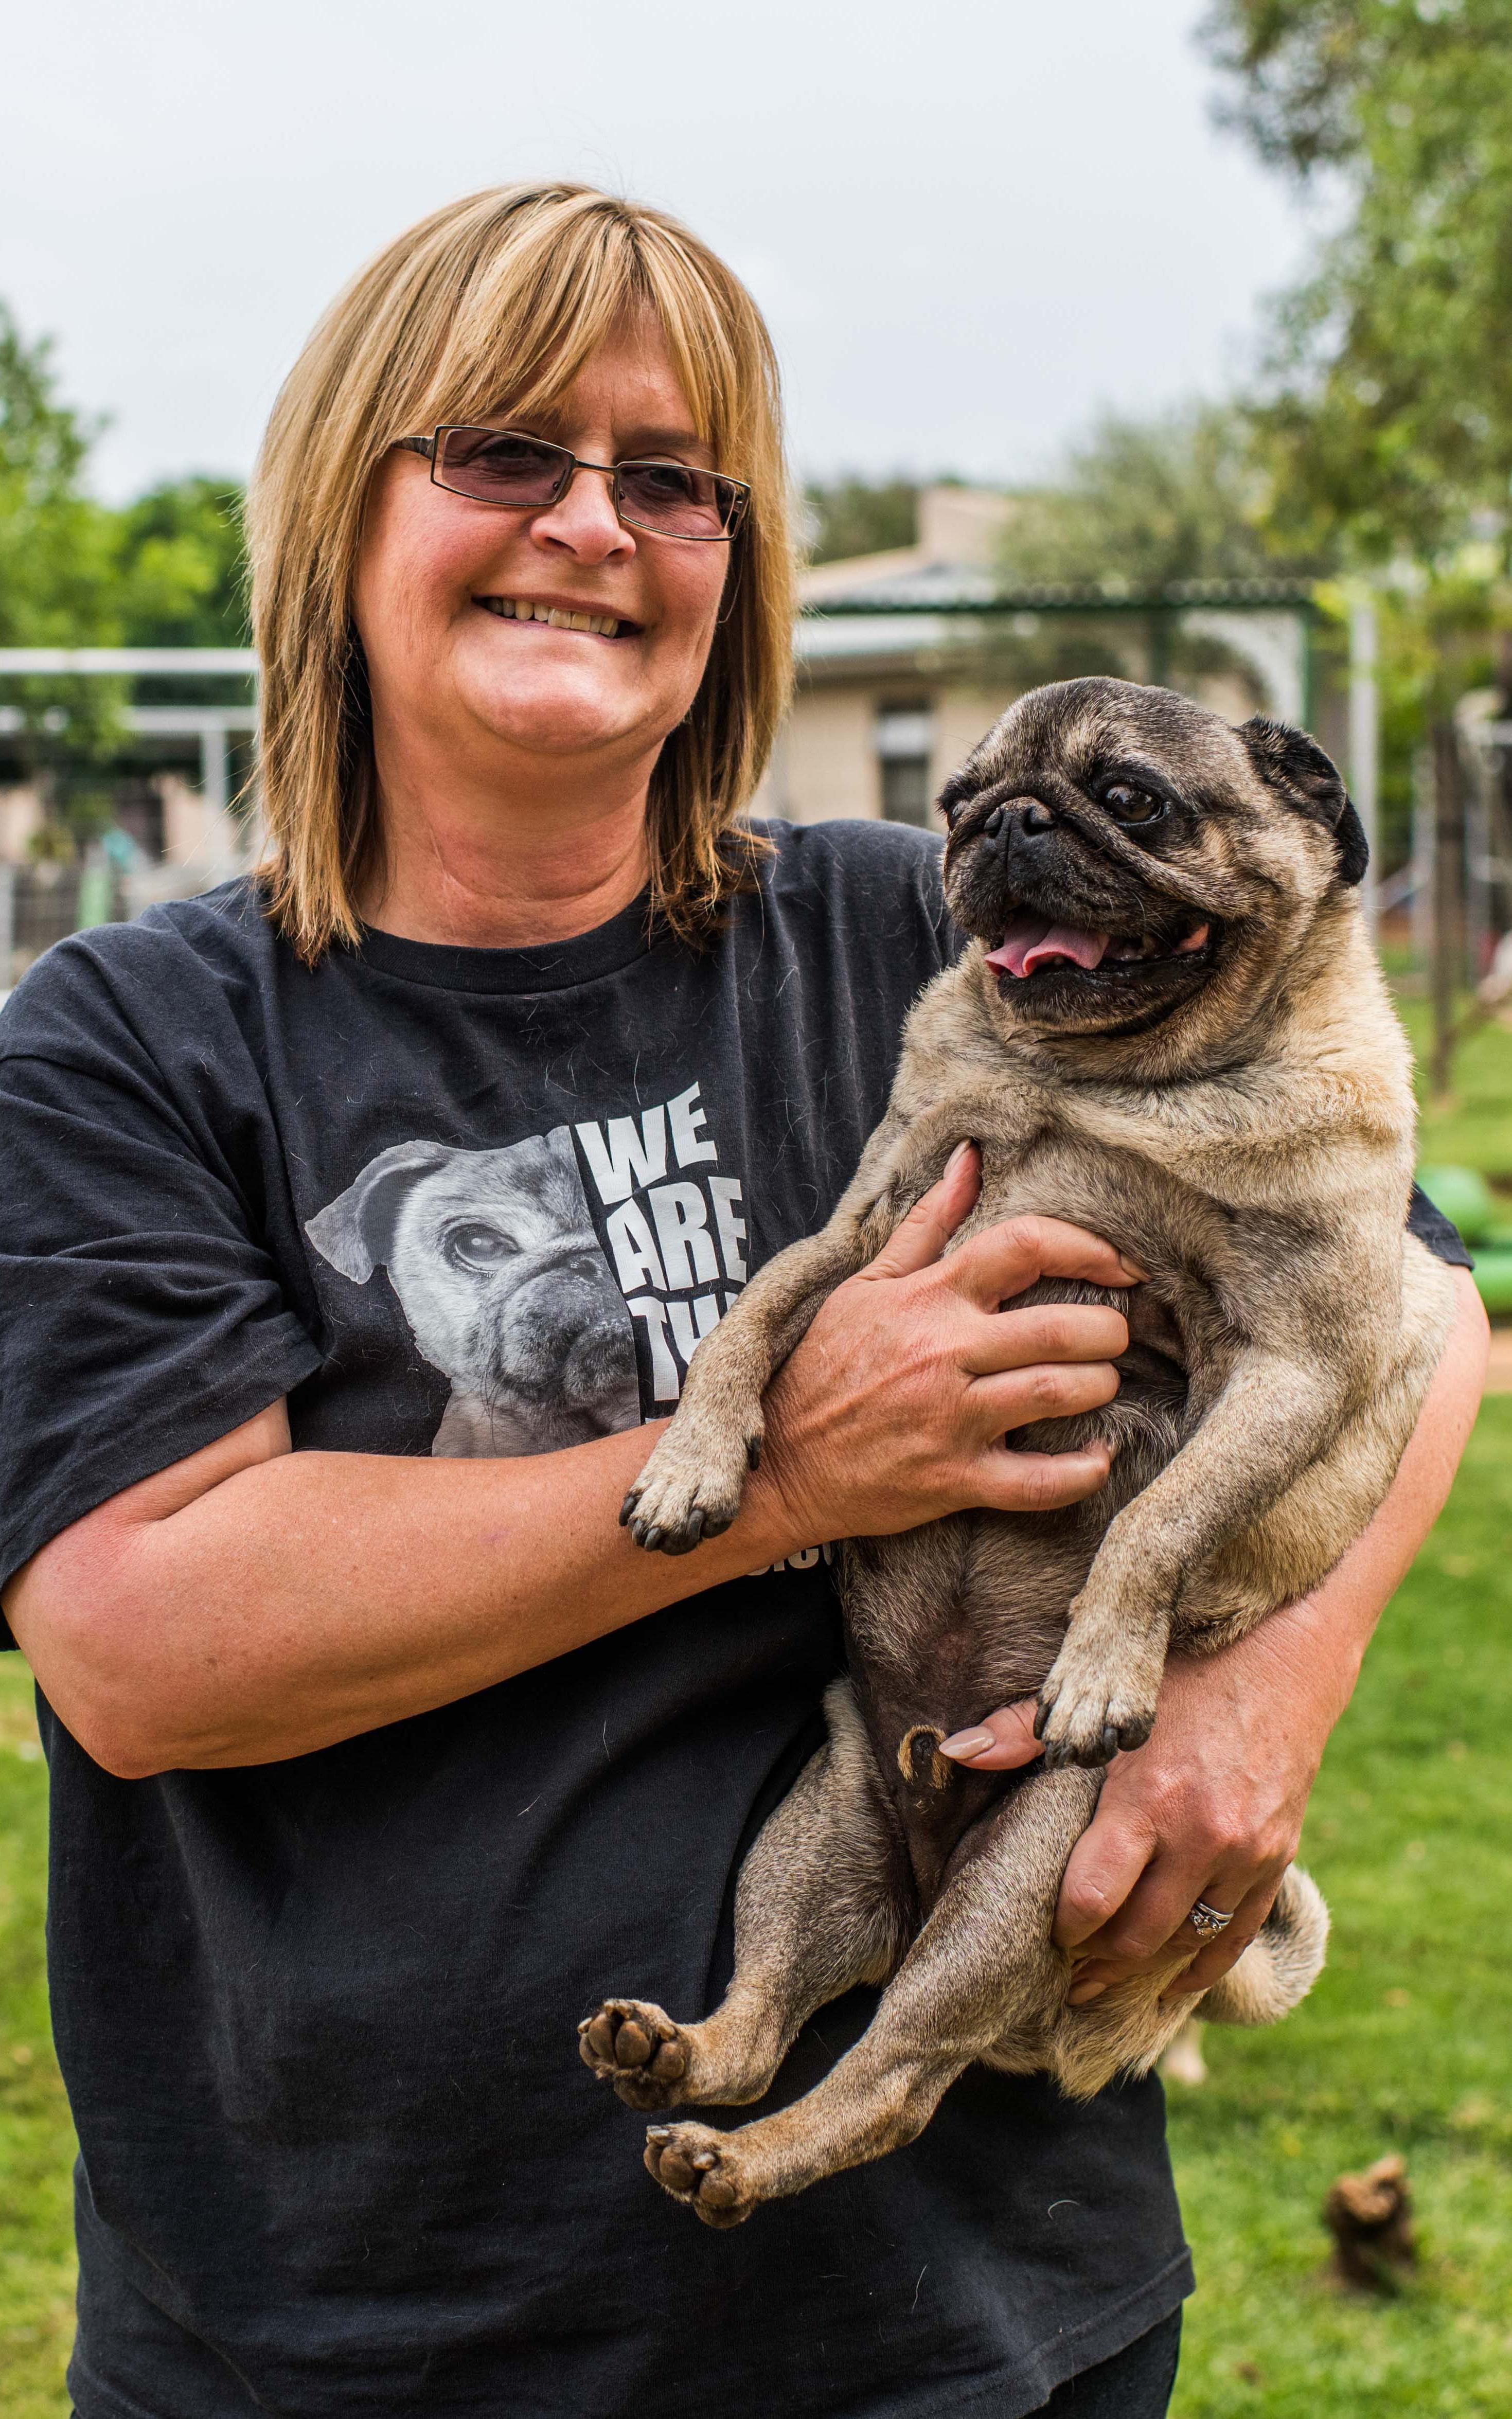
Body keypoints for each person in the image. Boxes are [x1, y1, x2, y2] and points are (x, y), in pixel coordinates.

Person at [0, 185, 1485, 2419]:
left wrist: (1258, 1690)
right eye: (505, 450)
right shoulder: (128, 1044)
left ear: (739, 558)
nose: (594, 525)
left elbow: (1421, 1303)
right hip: (360, 2333)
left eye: (672, 478)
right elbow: (138, 1641)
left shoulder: (954, 943)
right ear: (338, 511)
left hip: (969, 2314)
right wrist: (793, 1464)